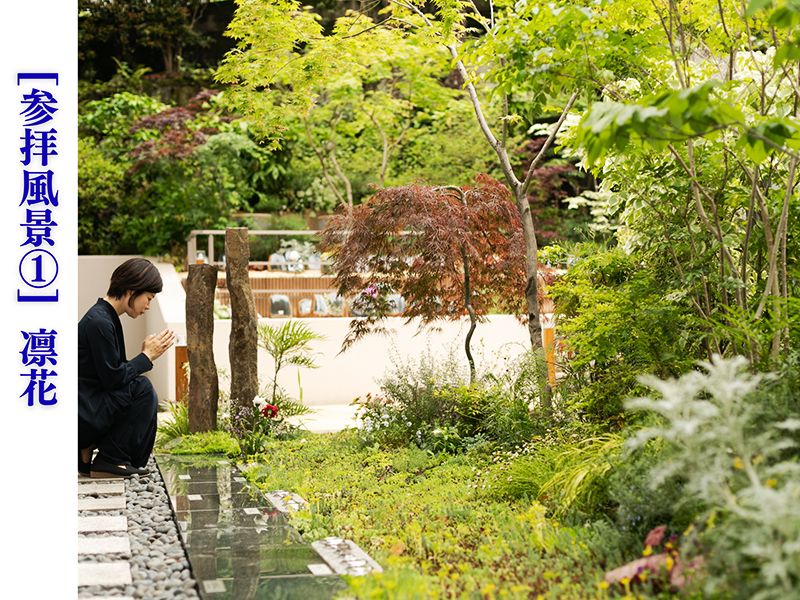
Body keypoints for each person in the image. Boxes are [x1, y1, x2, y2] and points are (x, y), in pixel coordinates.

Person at [78, 258, 176, 478]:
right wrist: (145, 356)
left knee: (139, 385)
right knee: (142, 389)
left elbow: (111, 374)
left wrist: (143, 357)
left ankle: (91, 452)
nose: (148, 306)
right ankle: (111, 460)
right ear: (132, 291)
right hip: (83, 412)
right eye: (148, 298)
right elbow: (113, 379)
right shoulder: (100, 322)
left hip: (87, 406)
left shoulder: (106, 318)